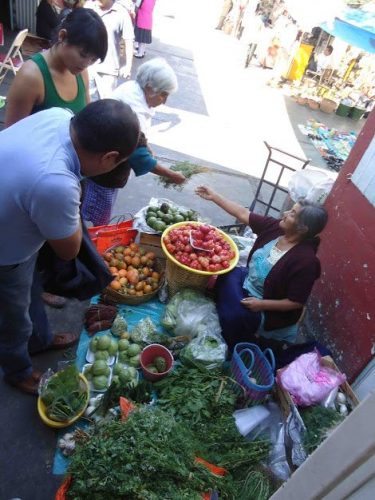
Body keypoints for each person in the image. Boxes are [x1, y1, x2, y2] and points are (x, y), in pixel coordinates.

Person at [0, 100, 140, 395]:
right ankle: (17, 370)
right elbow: (68, 251)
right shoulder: (57, 183)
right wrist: (71, 204)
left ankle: (39, 338)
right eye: (118, 163)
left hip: (14, 223)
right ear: (110, 157)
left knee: (29, 291)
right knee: (12, 317)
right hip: (6, 252)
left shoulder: (58, 116)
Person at [196, 186, 328, 352]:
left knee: (237, 314)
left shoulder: (306, 262)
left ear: (302, 228)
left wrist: (261, 304)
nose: (286, 213)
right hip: (248, 283)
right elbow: (243, 214)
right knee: (225, 274)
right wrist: (214, 196)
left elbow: (295, 302)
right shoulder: (275, 228)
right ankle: (225, 315)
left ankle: (233, 345)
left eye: (292, 214)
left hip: (268, 305)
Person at [81, 57, 185, 226]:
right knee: (95, 220)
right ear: (150, 89)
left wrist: (147, 145)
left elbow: (139, 139)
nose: (164, 101)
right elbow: (139, 158)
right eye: (163, 94)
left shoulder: (133, 88)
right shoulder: (133, 106)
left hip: (103, 167)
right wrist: (172, 175)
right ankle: (85, 246)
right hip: (102, 175)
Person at [5, 8, 107, 127]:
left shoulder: (81, 72)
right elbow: (12, 134)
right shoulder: (31, 76)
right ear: (62, 36)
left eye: (93, 59)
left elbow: (85, 119)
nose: (87, 63)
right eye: (83, 54)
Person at [84, 0, 134, 99]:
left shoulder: (121, 13)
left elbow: (129, 40)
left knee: (105, 105)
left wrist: (128, 66)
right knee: (86, 101)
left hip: (108, 69)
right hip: (86, 65)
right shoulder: (88, 7)